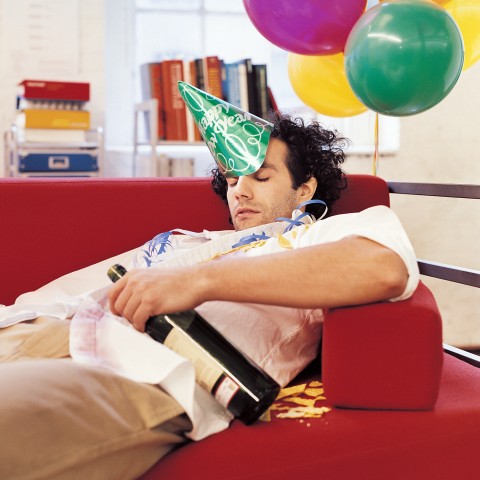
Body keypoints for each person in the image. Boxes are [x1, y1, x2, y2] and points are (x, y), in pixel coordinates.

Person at [0, 91, 418, 480]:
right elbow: (52, 298)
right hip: (40, 334)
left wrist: (198, 282)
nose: (241, 192)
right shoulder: (183, 242)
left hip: (137, 368)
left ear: (304, 187)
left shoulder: (326, 234)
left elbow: (381, 267)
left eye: (259, 176)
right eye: (232, 180)